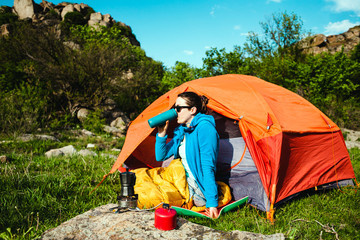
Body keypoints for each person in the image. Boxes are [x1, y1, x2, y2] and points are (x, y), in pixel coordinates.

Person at [155, 91, 220, 218]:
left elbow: (208, 167)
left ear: (192, 110)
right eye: (174, 108)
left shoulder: (205, 128)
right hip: (182, 180)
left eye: (178, 108)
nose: (175, 112)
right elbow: (160, 156)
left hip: (196, 186)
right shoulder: (182, 130)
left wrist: (212, 203)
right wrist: (161, 133)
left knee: (158, 196)